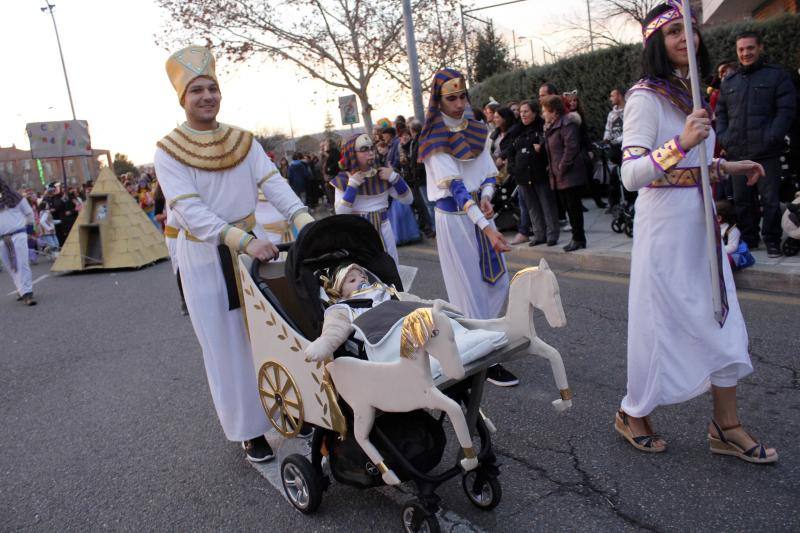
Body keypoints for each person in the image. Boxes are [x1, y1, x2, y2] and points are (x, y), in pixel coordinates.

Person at [614, 2, 775, 463]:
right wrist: (680, 142)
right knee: (658, 325)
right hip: (663, 228)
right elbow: (631, 174)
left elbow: (693, 166)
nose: (686, 39)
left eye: (690, 31)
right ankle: (633, 412)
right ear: (656, 45)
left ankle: (726, 427)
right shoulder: (645, 96)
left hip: (700, 224)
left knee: (723, 321)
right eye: (672, 34)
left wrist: (724, 164)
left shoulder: (691, 92)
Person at [154, 45, 314, 463]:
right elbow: (190, 210)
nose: (206, 96)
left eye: (212, 88)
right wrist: (241, 241)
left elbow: (272, 182)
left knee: (274, 330)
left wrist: (302, 217)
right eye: (196, 91)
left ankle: (293, 405)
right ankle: (249, 430)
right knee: (225, 344)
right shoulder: (168, 150)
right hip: (208, 256)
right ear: (182, 99)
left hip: (255, 249)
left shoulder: (243, 140)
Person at [418, 68, 518, 387]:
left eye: (463, 96)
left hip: (478, 214)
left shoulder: (476, 128)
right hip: (456, 219)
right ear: (438, 100)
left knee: (498, 281)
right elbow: (457, 189)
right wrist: (487, 227)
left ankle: (477, 341)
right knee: (468, 289)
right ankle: (485, 359)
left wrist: (488, 196)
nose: (459, 103)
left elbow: (488, 173)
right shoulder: (434, 137)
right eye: (451, 98)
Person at [716, 30, 797, 258]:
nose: (745, 53)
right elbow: (720, 113)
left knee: (770, 201)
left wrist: (772, 136)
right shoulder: (729, 81)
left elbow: (786, 111)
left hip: (767, 152)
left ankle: (771, 240)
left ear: (760, 48)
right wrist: (725, 137)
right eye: (741, 49)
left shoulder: (777, 76)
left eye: (750, 48)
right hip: (737, 153)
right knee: (741, 201)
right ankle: (749, 239)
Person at [329, 133, 413, 264]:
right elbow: (340, 213)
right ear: (352, 153)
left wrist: (395, 178)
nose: (370, 152)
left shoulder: (383, 174)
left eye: (371, 148)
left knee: (391, 268)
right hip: (358, 233)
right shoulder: (343, 179)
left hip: (384, 230)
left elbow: (408, 200)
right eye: (364, 149)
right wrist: (352, 186)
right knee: (365, 273)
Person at [508, 100, 559, 247]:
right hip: (523, 175)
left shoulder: (542, 128)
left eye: (526, 111)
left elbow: (550, 149)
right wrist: (513, 168)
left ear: (534, 113)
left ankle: (552, 234)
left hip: (540, 173)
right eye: (521, 112)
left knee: (546, 204)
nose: (522, 114)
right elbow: (510, 153)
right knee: (532, 207)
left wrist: (541, 150)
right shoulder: (516, 131)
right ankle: (539, 235)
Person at [542, 95, 588, 252]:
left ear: (553, 111)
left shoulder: (567, 124)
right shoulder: (553, 125)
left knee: (573, 207)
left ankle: (579, 238)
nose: (543, 114)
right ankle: (576, 237)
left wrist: (561, 167)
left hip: (569, 174)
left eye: (545, 111)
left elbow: (571, 148)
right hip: (560, 174)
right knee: (569, 207)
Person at [0, 177, 36, 305]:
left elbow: (29, 213)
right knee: (11, 267)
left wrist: (29, 231)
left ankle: (28, 293)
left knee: (22, 264)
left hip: (18, 235)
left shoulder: (16, 197)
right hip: (2, 239)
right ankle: (21, 289)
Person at [604, 88, 630, 210]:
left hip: (625, 147)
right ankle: (613, 202)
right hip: (615, 149)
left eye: (612, 95)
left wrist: (617, 140)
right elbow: (608, 129)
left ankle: (629, 200)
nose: (610, 98)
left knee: (626, 174)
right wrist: (606, 139)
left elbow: (630, 130)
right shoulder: (611, 114)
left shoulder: (629, 111)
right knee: (615, 175)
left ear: (620, 96)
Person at [717, 200, 755, 270]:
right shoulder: (715, 227)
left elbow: (732, 247)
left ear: (719, 218)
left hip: (734, 253)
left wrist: (718, 249)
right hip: (720, 252)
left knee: (727, 260)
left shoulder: (733, 230)